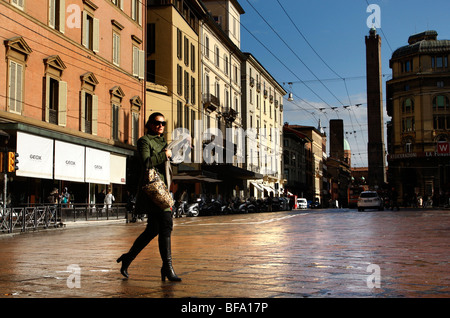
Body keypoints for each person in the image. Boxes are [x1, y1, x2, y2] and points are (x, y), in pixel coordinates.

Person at [117, 112, 181, 282]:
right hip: (152, 191)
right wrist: (164, 154)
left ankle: (128, 258)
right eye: (156, 123)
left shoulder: (162, 142)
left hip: (163, 189)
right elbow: (146, 162)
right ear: (149, 124)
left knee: (152, 230)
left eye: (163, 123)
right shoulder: (144, 141)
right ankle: (167, 268)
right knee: (166, 224)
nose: (160, 126)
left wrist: (172, 155)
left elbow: (166, 162)